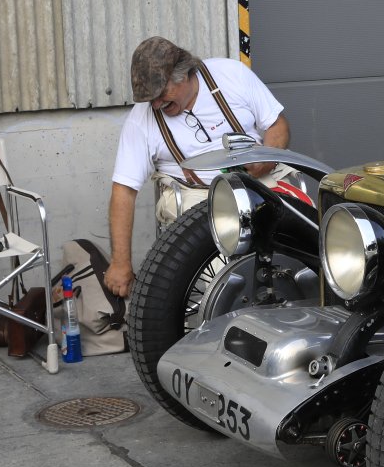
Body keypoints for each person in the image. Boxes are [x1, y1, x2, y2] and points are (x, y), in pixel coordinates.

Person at [106, 37, 290, 297]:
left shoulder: (231, 75)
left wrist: (266, 159)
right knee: (232, 274)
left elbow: (277, 125)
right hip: (198, 196)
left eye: (160, 94)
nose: (156, 105)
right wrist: (120, 263)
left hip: (259, 181)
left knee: (298, 239)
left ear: (182, 74)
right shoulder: (140, 121)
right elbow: (124, 191)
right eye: (150, 99)